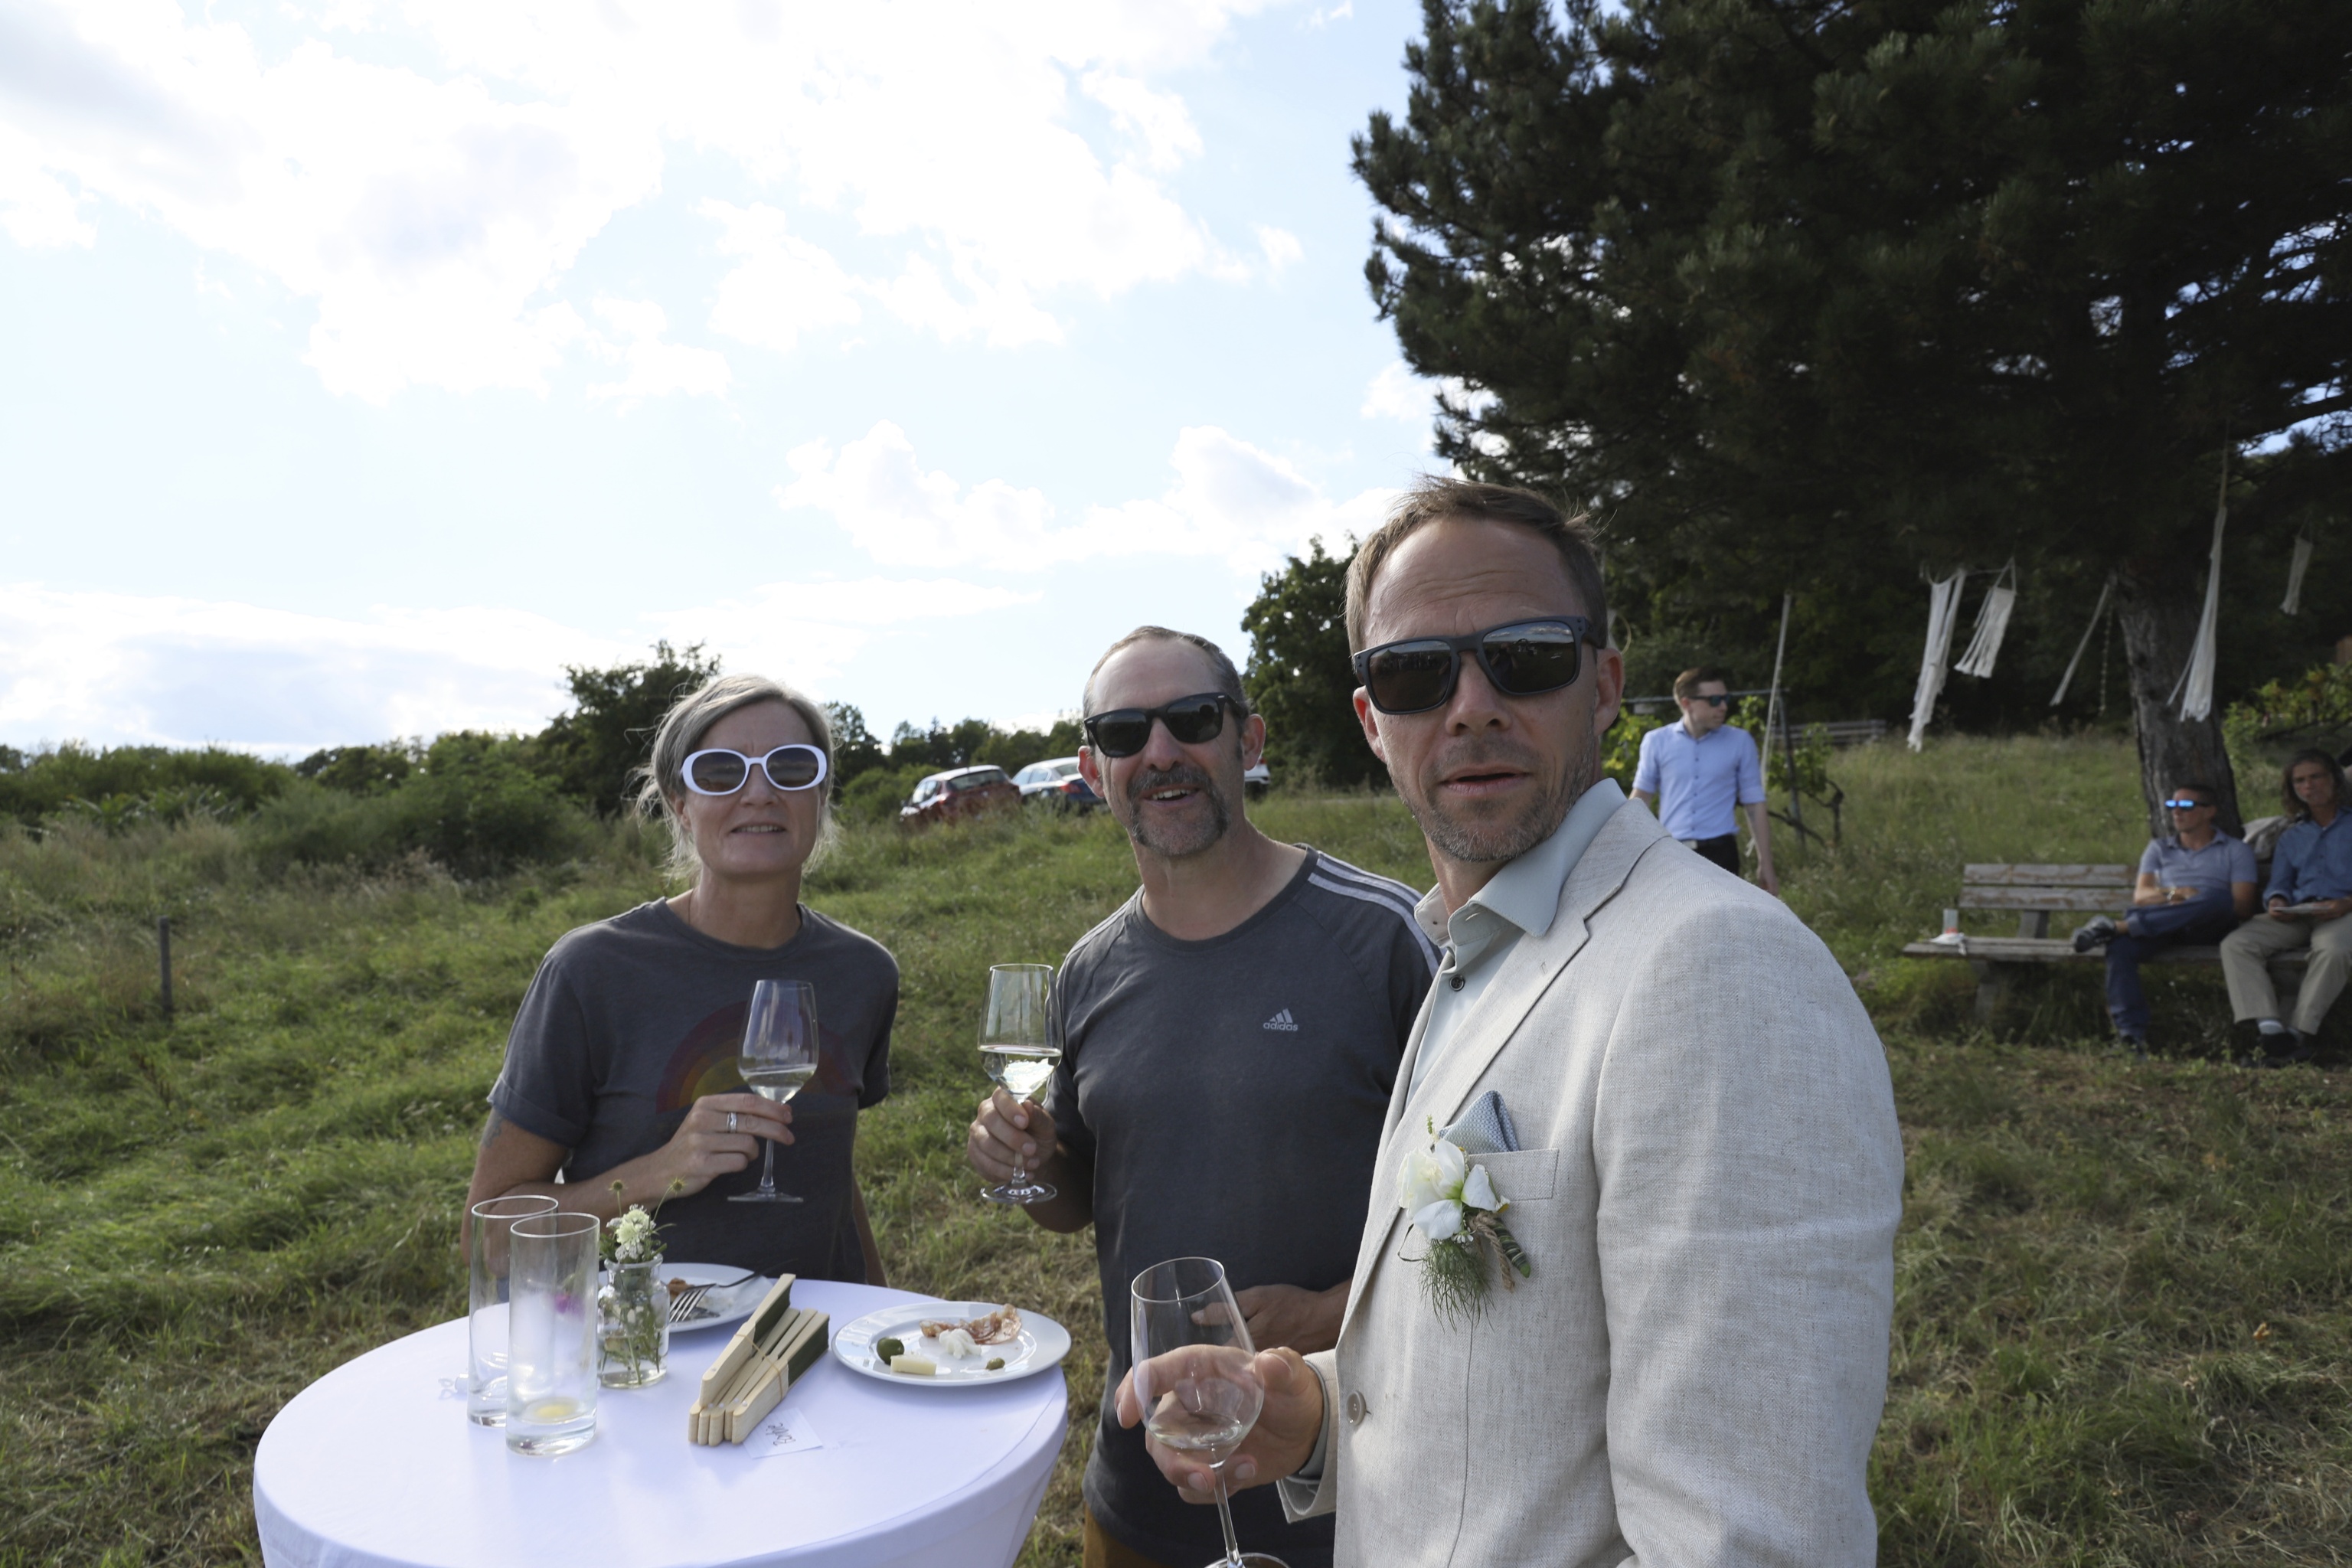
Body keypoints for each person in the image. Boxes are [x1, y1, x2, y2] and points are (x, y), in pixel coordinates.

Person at [1117, 479, 1903, 1565]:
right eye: (1415, 672)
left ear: (1605, 685)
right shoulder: (1476, 948)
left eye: (1526, 657)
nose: (1473, 704)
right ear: (1372, 721)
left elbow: (1751, 1546)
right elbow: (1512, 1383)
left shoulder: (1719, 970)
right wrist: (1317, 1415)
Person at [966, 626, 1434, 1568]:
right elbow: (1079, 1202)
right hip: (1143, 1492)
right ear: (1095, 770)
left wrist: (1329, 1311)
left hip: (1355, 1494)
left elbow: (1496, 1220)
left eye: (1191, 718)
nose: (1161, 751)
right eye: (1124, 732)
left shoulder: (1384, 936)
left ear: (1247, 740)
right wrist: (1030, 1160)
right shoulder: (1087, 971)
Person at [466, 674, 893, 1284]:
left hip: (820, 1331)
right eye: (720, 772)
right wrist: (659, 1172)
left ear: (821, 793)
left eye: (792, 767)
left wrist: (877, 1313)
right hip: (648, 1338)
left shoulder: (862, 972)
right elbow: (488, 1240)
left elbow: (831, 1181)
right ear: (679, 804)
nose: (759, 793)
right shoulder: (591, 972)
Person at [2070, 782, 2256, 1054]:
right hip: (2163, 926)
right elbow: (2142, 896)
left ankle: (2117, 927)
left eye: (2186, 806)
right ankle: (2130, 1037)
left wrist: (2198, 901)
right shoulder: (2159, 849)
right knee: (2120, 948)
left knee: (2218, 899)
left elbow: (2241, 906)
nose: (2176, 812)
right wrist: (2175, 894)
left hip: (2208, 926)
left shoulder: (2235, 850)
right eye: (2172, 805)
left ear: (2209, 811)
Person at [2220, 749, 2352, 1067]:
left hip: (2344, 912)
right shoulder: (2292, 835)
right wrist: (2277, 901)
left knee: (2333, 951)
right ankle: (2270, 1031)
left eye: (2316, 777)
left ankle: (2298, 1033)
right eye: (2300, 781)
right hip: (2299, 913)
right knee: (2237, 944)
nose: (2309, 786)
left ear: (2334, 780)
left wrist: (2346, 903)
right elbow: (2280, 883)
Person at [1629, 665, 1779, 893]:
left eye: (1725, 698)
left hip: (1722, 854)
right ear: (1687, 703)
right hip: (1672, 853)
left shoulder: (1740, 742)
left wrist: (1765, 863)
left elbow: (1754, 803)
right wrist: (1627, 854)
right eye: (1715, 700)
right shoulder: (1656, 741)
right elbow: (1640, 798)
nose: (1723, 706)